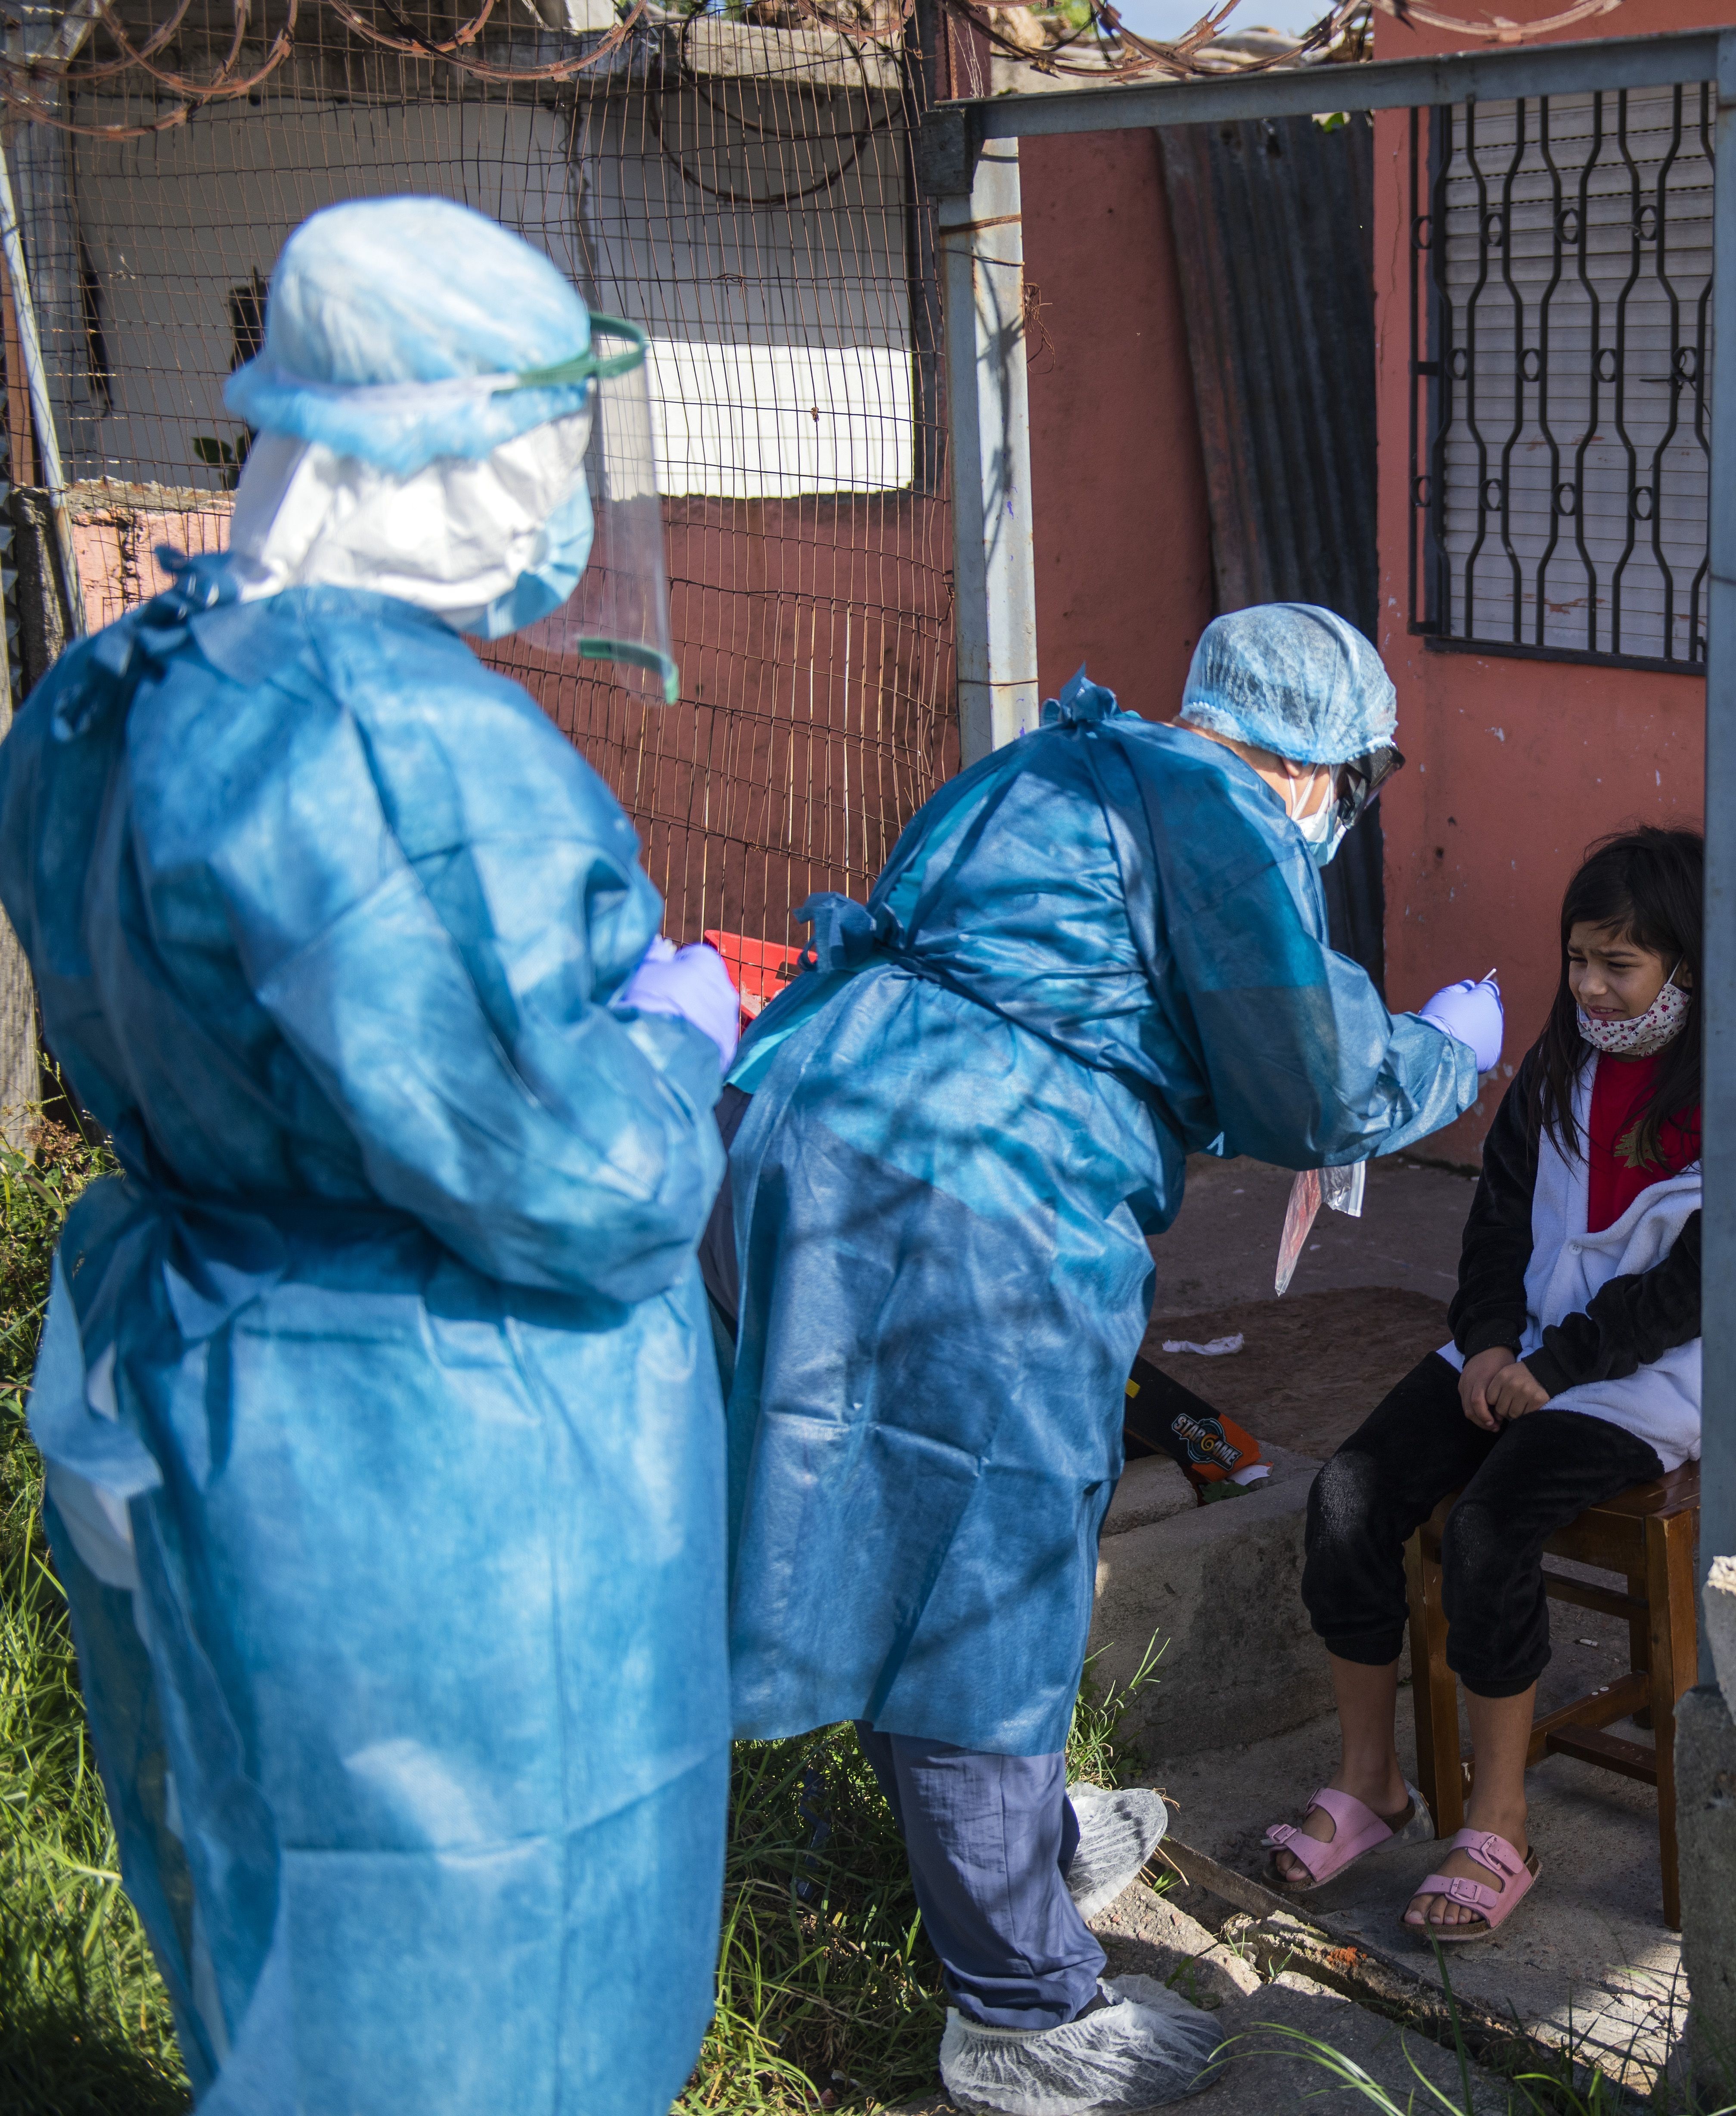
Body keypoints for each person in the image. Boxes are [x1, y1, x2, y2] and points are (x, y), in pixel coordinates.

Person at [0, 197, 739, 2112]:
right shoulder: (391, 736)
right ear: (435, 442)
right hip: (431, 1459)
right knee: (494, 1987)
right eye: (544, 447)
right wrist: (672, 1032)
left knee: (272, 1927)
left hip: (208, 1368)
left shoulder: (129, 677)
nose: (566, 501)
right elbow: (579, 1179)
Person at [719, 604, 1497, 2113]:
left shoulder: (1059, 763)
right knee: (986, 1581)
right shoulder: (1225, 813)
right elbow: (1309, 1074)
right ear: (1322, 759)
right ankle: (1018, 2004)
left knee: (904, 1529)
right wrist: (1442, 1051)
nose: (1344, 813)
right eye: (1362, 779)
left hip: (809, 1134)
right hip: (975, 1199)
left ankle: (1002, 1845)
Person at [1268, 827, 1704, 1941]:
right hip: (1513, 1356)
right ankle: (1371, 1782)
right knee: (1350, 1498)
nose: (1594, 990)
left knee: (1492, 1529)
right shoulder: (1555, 1076)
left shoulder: (1723, 1111)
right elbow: (1496, 1227)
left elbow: (1686, 1293)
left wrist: (1554, 1371)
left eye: (1622, 966)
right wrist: (1495, 1344)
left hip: (1640, 1386)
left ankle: (1500, 1825)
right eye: (1579, 962)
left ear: (1685, 971)